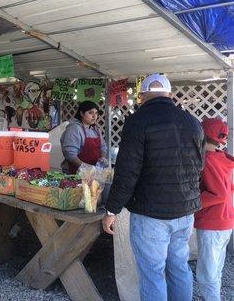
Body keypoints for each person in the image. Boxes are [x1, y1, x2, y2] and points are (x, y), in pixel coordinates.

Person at [102, 73, 205, 301]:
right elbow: (199, 166)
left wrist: (112, 210)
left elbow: (127, 172)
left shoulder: (137, 121)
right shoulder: (192, 122)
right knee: (179, 268)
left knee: (152, 274)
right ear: (170, 94)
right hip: (185, 212)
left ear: (141, 96)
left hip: (151, 214)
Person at [194, 118, 234, 301]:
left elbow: (220, 194)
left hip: (212, 222)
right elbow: (229, 189)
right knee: (216, 269)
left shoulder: (207, 160)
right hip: (226, 221)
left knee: (206, 274)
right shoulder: (223, 158)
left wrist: (192, 201)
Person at [60, 100, 108, 174]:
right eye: (90, 113)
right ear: (82, 113)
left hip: (93, 172)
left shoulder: (96, 130)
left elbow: (103, 147)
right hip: (74, 172)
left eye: (96, 113)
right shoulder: (74, 128)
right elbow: (69, 154)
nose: (94, 116)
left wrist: (103, 158)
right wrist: (84, 167)